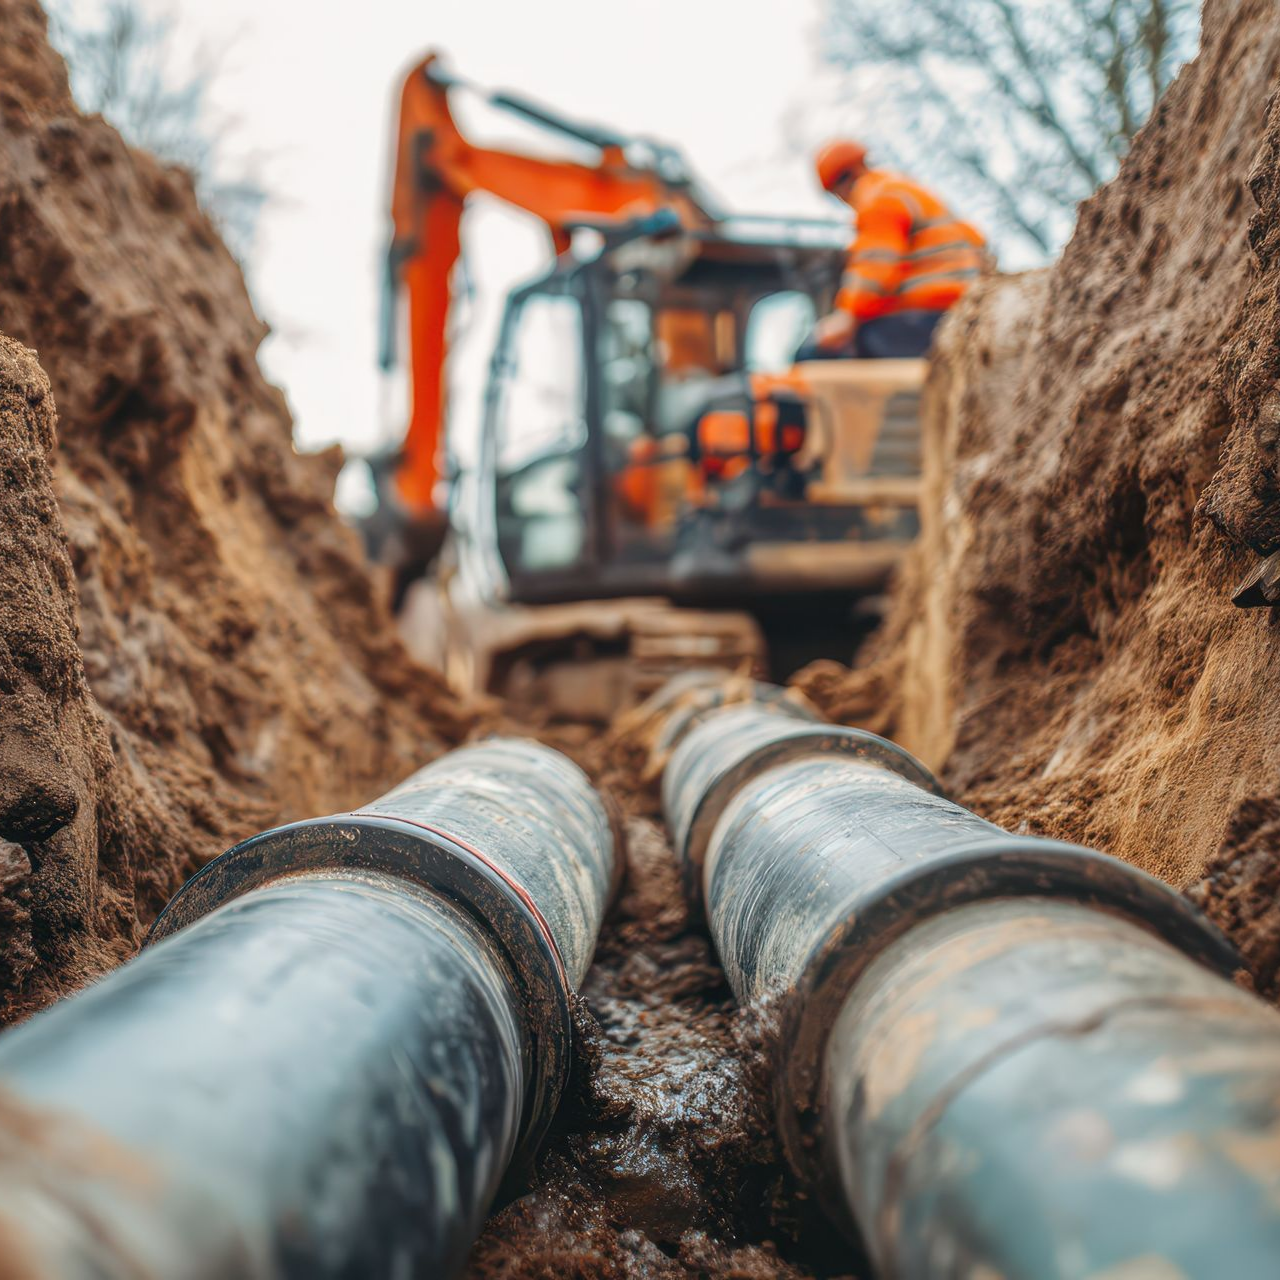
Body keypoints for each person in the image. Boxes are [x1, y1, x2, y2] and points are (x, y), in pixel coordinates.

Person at [798, 140, 986, 360]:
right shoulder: (907, 190)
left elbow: (875, 265)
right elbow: (977, 243)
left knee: (814, 354)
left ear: (840, 186)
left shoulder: (878, 199)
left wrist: (847, 317)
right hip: (961, 312)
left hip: (926, 318)